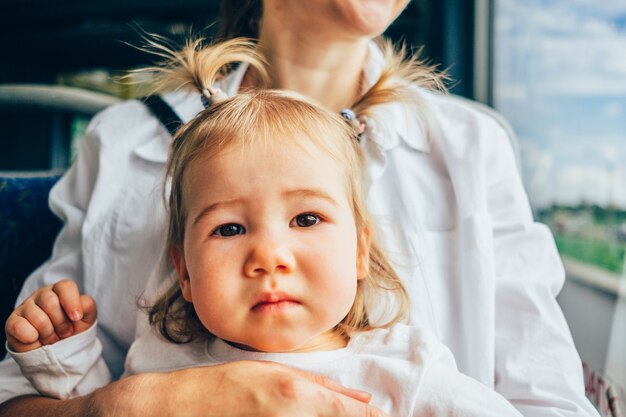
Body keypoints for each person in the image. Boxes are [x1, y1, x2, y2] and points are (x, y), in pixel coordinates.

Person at [0, 1, 598, 416]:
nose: (269, 256)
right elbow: (26, 393)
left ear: (363, 246)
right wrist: (121, 403)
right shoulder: (118, 144)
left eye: (308, 219)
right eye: (230, 228)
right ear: (182, 268)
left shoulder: (472, 149)